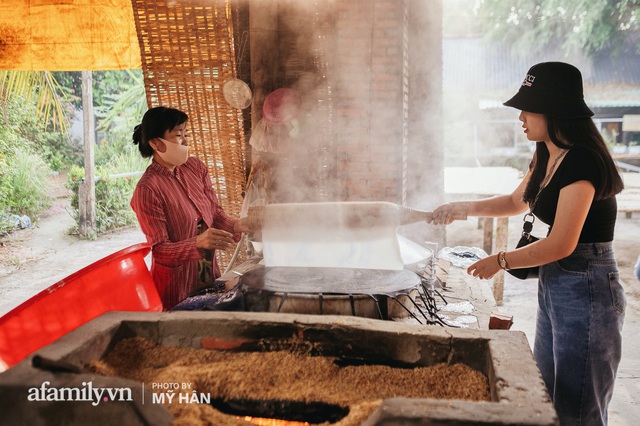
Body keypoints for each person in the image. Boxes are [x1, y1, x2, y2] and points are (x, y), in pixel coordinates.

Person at [432, 62, 625, 426]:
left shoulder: (583, 162)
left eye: (528, 108)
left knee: (578, 408)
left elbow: (561, 243)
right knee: (549, 394)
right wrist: (463, 208)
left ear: (555, 110)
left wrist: (499, 261)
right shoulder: (546, 152)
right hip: (556, 284)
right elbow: (515, 202)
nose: (520, 117)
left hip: (588, 286)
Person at [131, 106, 253, 310]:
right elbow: (160, 250)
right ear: (155, 142)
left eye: (186, 134)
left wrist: (238, 225)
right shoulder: (148, 189)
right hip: (175, 287)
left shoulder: (195, 168)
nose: (186, 141)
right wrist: (197, 243)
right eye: (178, 135)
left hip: (207, 276)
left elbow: (214, 213)